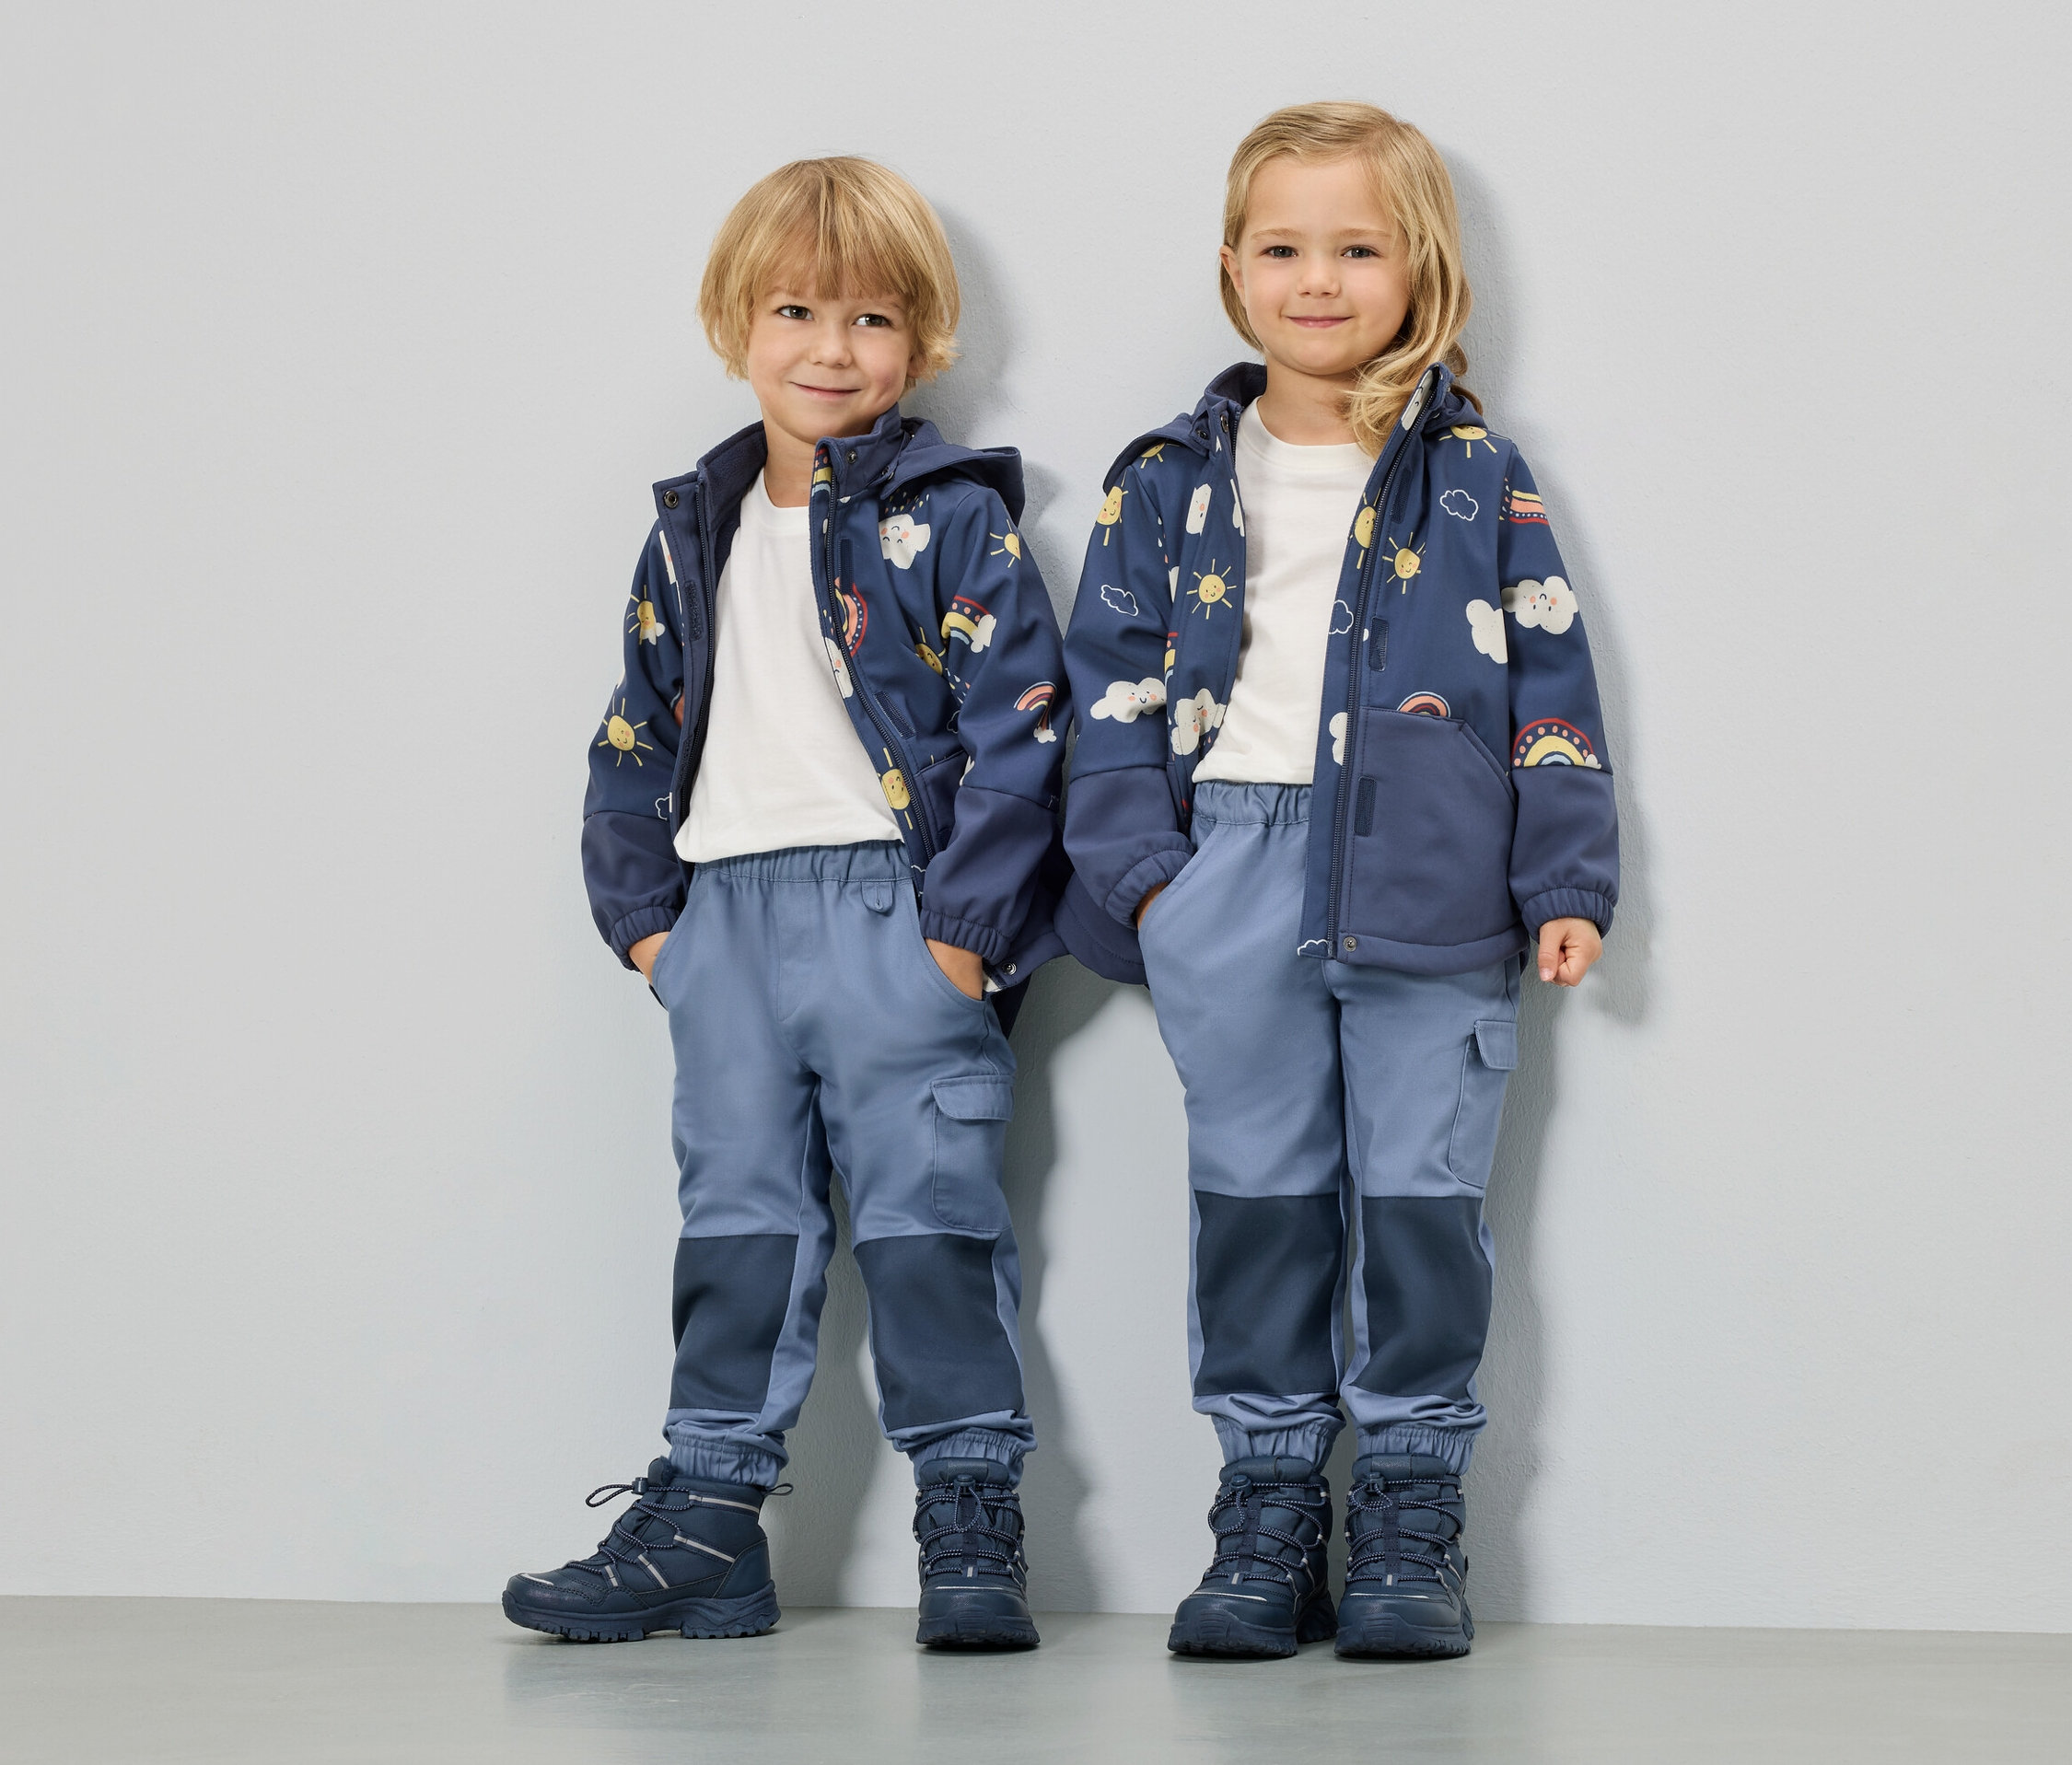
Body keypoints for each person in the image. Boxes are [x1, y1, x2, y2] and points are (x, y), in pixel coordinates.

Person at [1058, 101, 1619, 1661]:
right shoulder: (1163, 477)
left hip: (1437, 883)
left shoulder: (1476, 475)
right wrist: (1146, 883)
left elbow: (1553, 690)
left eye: (1356, 245)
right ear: (1233, 270)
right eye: (1284, 246)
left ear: (1417, 266)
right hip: (1224, 863)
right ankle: (1265, 1506)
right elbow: (1102, 687)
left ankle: (1411, 1512)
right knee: (1256, 1200)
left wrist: (1565, 872)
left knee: (1421, 1202)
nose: (1318, 278)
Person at [505, 157, 1069, 1651]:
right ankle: (706, 1520)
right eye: (798, 311)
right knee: (737, 1220)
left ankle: (969, 1512)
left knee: (928, 1218)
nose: (833, 348)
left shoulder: (953, 519)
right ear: (733, 324)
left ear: (924, 341)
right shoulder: (690, 529)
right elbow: (630, 736)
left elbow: (1026, 732)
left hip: (899, 910)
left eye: (873, 319)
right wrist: (651, 932)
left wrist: (964, 936)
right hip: (725, 923)